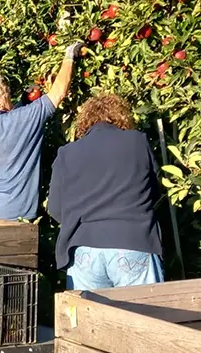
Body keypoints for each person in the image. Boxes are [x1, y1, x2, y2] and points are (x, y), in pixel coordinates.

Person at [47, 94, 163, 290]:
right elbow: (155, 190)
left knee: (88, 318)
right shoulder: (138, 142)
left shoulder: (67, 153)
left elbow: (55, 209)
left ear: (85, 122)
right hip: (132, 241)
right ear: (121, 118)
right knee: (146, 317)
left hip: (84, 249)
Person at [0, 41, 84, 221]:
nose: (10, 100)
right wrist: (69, 56)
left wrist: (24, 102)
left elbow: (7, 122)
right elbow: (58, 93)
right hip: (12, 216)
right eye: (7, 95)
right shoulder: (20, 121)